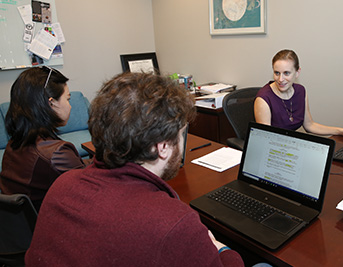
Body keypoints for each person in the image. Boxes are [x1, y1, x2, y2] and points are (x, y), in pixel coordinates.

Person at [25, 72, 245, 266]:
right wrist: (219, 247)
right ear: (163, 147)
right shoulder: (174, 223)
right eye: (181, 134)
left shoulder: (62, 185)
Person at [0, 66, 90, 211]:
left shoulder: (16, 142)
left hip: (21, 226)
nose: (70, 106)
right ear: (51, 103)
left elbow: (73, 167)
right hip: (52, 224)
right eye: (67, 99)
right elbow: (90, 193)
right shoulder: (56, 153)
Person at [254, 49, 343, 137]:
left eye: (286, 73)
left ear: (297, 72)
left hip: (290, 145)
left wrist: (342, 131)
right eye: (277, 73)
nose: (280, 79)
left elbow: (310, 125)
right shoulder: (263, 99)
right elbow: (266, 139)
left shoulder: (300, 91)